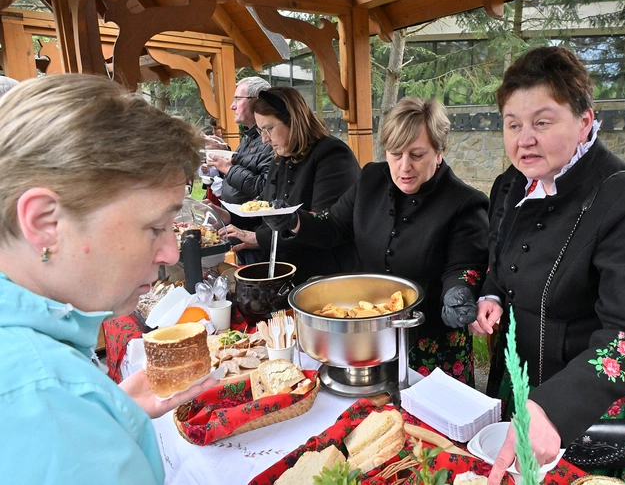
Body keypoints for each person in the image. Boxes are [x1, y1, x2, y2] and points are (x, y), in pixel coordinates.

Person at [0, 74, 217, 483]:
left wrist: (106, 413)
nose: (171, 252)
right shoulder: (44, 400)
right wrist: (74, 417)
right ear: (46, 222)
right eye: (155, 227)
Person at [470, 47, 625, 484]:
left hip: (590, 401)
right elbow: (502, 256)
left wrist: (554, 408)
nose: (524, 139)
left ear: (584, 122)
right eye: (513, 124)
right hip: (520, 380)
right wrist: (492, 291)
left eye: (542, 122)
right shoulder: (510, 183)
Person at [262, 97, 489, 384]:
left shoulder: (464, 202)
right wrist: (294, 221)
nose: (404, 166)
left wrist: (460, 292)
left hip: (430, 339)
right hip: (368, 338)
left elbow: (464, 266)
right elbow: (333, 225)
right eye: (395, 153)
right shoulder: (370, 179)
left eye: (417, 155)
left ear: (439, 151)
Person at [221, 86, 360, 284]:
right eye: (261, 130)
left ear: (293, 121)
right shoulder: (281, 159)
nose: (264, 139)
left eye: (268, 129)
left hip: (326, 278)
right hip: (287, 273)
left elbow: (329, 225)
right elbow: (265, 209)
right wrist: (228, 216)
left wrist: (259, 238)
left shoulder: (332, 155)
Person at [207, 76, 272, 205]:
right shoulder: (249, 136)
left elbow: (264, 188)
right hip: (234, 220)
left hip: (252, 224)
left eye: (237, 99)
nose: (232, 106)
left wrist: (228, 168)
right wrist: (225, 153)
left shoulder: (272, 140)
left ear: (256, 101)